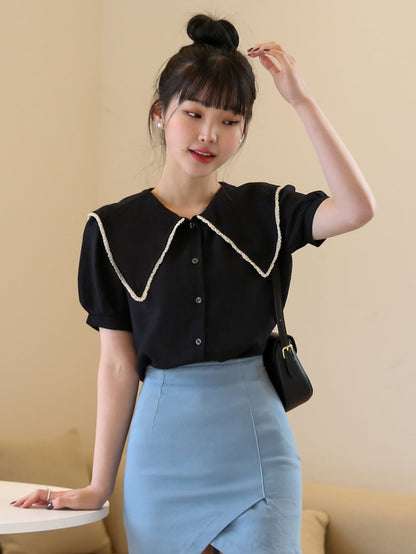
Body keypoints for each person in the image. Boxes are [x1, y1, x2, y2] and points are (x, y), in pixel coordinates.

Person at [13, 14, 375, 554]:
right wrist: (98, 484)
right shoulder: (111, 230)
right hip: (161, 464)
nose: (210, 134)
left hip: (256, 457)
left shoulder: (265, 210)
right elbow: (118, 366)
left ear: (244, 130)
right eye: (194, 113)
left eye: (230, 120)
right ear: (160, 114)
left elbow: (356, 208)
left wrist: (300, 100)